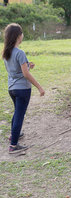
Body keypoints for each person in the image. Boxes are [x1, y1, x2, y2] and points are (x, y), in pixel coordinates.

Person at [2, 23, 45, 154]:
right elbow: (25, 74)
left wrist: (27, 65)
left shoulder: (6, 52)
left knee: (17, 113)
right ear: (18, 36)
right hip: (22, 89)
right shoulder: (20, 52)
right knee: (19, 115)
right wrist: (39, 87)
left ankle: (14, 135)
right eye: (22, 33)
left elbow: (15, 70)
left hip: (12, 89)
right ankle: (13, 145)